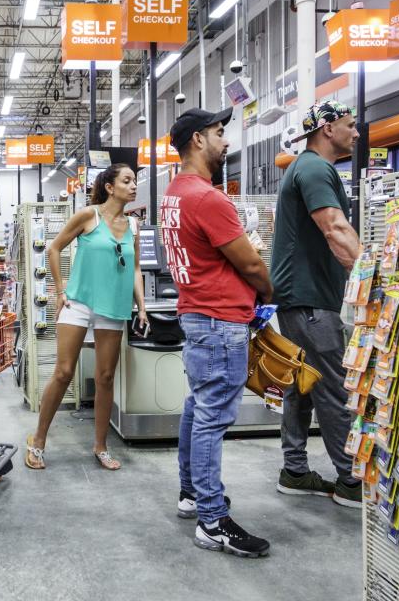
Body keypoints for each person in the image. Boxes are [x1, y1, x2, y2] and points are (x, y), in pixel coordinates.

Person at [161, 108, 273, 558]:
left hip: (198, 316)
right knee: (212, 417)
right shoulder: (208, 198)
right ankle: (212, 520)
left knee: (198, 407)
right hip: (220, 319)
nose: (226, 141)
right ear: (196, 141)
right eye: (219, 133)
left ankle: (192, 494)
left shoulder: (174, 193)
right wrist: (267, 290)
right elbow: (248, 263)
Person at [270, 100, 363, 509]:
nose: (356, 132)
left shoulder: (305, 169)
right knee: (332, 388)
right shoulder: (313, 168)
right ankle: (350, 479)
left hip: (300, 298)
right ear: (326, 128)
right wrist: (372, 280)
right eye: (350, 124)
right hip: (309, 299)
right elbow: (335, 227)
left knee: (302, 386)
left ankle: (294, 470)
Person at [25, 164, 147, 472]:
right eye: (127, 180)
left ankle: (100, 446)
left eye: (135, 181)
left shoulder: (133, 226)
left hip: (114, 306)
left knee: (105, 377)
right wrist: (60, 290)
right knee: (63, 372)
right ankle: (37, 441)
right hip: (78, 302)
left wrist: (142, 307)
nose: (134, 186)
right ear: (109, 186)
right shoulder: (88, 216)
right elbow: (53, 249)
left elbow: (134, 270)